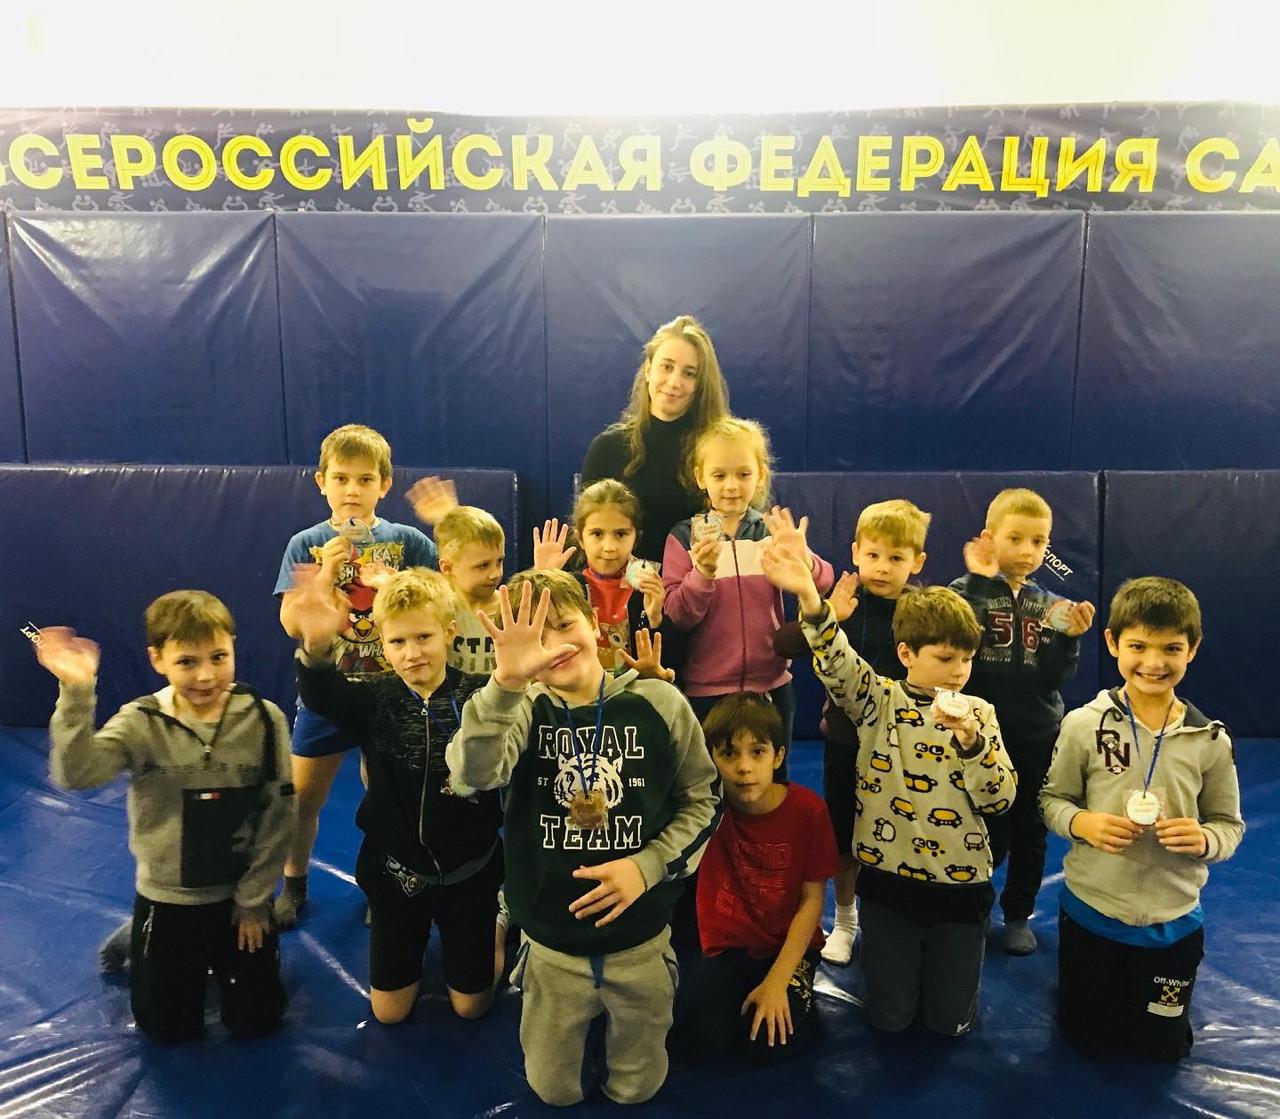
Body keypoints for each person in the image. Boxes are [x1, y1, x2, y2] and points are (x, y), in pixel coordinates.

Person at [445, 571, 719, 1106]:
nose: (554, 647)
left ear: (595, 623)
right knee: (554, 1092)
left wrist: (647, 866)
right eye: (537, 638)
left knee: (637, 1088)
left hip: (639, 939)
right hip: (553, 945)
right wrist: (505, 684)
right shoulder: (523, 707)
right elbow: (472, 775)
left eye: (565, 626)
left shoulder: (659, 702)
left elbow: (704, 800)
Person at [760, 538, 1015, 1037]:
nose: (958, 671)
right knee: (890, 1018)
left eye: (966, 659)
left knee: (948, 1023)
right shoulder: (879, 701)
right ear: (906, 654)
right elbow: (836, 659)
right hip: (888, 885)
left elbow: (999, 797)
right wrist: (810, 598)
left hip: (959, 888)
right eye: (945, 658)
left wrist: (972, 743)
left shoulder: (981, 714)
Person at [35, 591, 293, 1042]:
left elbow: (279, 814)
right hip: (168, 900)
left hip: (238, 899)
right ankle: (139, 933)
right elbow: (76, 775)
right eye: (187, 662)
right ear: (157, 659)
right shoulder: (142, 721)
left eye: (218, 657)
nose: (206, 675)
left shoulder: (264, 719)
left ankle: (185, 942)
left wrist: (254, 901)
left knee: (257, 1022)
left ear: (233, 648)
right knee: (167, 1030)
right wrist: (76, 692)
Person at [289, 566, 506, 1023]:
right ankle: (417, 941)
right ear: (383, 646)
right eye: (398, 642)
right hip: (397, 874)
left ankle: (500, 928)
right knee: (388, 1012)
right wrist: (317, 646)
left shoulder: (477, 696)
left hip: (470, 875)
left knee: (471, 1008)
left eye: (424, 637)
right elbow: (324, 696)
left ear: (449, 633)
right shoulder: (375, 697)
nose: (412, 653)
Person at [1040, 576, 1243, 1061]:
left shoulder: (1210, 740)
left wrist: (1204, 839)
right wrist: (1082, 824)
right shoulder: (1083, 725)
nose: (1153, 663)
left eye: (1171, 648)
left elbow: (1229, 825)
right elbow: (1052, 800)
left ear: (1192, 649)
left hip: (1173, 923)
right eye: (1138, 646)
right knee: (1088, 1040)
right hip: (1093, 916)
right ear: (1112, 643)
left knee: (1160, 1047)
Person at [273, 423, 439, 929]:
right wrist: (326, 574)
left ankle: (382, 882)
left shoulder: (407, 541)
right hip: (329, 689)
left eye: (365, 480)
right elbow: (291, 623)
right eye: (341, 478)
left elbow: (440, 605)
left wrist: (397, 585)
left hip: (391, 691)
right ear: (321, 482)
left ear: (384, 484)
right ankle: (294, 883)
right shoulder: (306, 543)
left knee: (387, 797)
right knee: (303, 797)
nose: (352, 490)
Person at [773, 498, 930, 965]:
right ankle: (845, 919)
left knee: (900, 831)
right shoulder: (844, 601)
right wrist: (830, 616)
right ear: (856, 552)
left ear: (917, 562)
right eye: (874, 555)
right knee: (844, 835)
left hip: (903, 747)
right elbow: (783, 643)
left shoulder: (921, 610)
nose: (882, 567)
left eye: (896, 558)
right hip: (845, 742)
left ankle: (892, 919)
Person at [950, 487, 1095, 955]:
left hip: (1037, 733)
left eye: (1039, 541)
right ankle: (971, 907)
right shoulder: (965, 591)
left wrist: (1069, 638)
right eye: (1016, 538)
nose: (1028, 551)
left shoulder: (1050, 604)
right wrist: (979, 581)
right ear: (989, 538)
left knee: (1031, 829)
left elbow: (1055, 677)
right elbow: (954, 638)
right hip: (979, 736)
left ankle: (1017, 914)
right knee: (978, 825)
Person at [672, 693, 839, 1061]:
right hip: (730, 948)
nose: (744, 768)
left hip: (788, 947)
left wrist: (778, 981)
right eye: (729, 754)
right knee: (696, 1040)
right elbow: (664, 764)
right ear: (711, 760)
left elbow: (812, 902)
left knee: (770, 1043)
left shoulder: (808, 812)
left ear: (778, 756)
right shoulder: (704, 808)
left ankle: (792, 997)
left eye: (757, 752)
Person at [663, 416, 834, 758]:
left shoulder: (770, 532)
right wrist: (703, 573)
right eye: (719, 475)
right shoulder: (684, 537)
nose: (731, 486)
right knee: (712, 779)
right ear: (701, 478)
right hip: (707, 689)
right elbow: (678, 615)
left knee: (773, 776)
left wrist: (802, 557)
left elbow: (823, 582)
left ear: (760, 476)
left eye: (743, 474)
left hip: (771, 685)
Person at [580, 314, 730, 562]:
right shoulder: (607, 449)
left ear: (701, 385)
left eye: (689, 373)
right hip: (624, 586)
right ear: (648, 369)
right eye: (666, 366)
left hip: (700, 582)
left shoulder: (718, 451)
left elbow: (742, 527)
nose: (674, 382)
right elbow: (586, 541)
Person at [532, 479, 669, 676]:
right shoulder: (568, 588)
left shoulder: (650, 586)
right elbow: (533, 648)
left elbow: (670, 660)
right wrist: (542, 581)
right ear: (580, 538)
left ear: (636, 538)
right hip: (579, 688)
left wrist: (655, 619)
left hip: (636, 688)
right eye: (597, 534)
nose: (609, 547)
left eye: (620, 534)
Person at [435, 504, 506, 676]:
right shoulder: (439, 612)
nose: (495, 574)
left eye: (499, 562)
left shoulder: (511, 608)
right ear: (447, 568)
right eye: (483, 566)